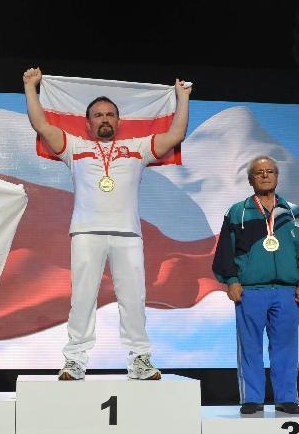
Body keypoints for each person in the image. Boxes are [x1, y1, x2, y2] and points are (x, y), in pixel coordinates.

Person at [22, 67, 191, 380]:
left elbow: (175, 135)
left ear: (118, 121)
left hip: (128, 234)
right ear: (88, 122)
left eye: (110, 114)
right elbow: (42, 125)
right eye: (98, 115)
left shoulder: (138, 148)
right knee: (82, 299)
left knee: (134, 299)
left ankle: (140, 358)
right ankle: (75, 360)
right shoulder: (75, 147)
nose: (104, 119)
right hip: (86, 233)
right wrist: (31, 88)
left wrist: (182, 98)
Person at [212, 156, 299, 415]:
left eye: (269, 171)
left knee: (286, 346)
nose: (264, 175)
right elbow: (225, 250)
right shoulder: (237, 211)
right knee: (250, 347)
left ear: (277, 176)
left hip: (286, 291)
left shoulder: (292, 212)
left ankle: (286, 398)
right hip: (250, 290)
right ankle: (252, 398)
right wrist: (232, 280)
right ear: (250, 179)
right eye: (258, 172)